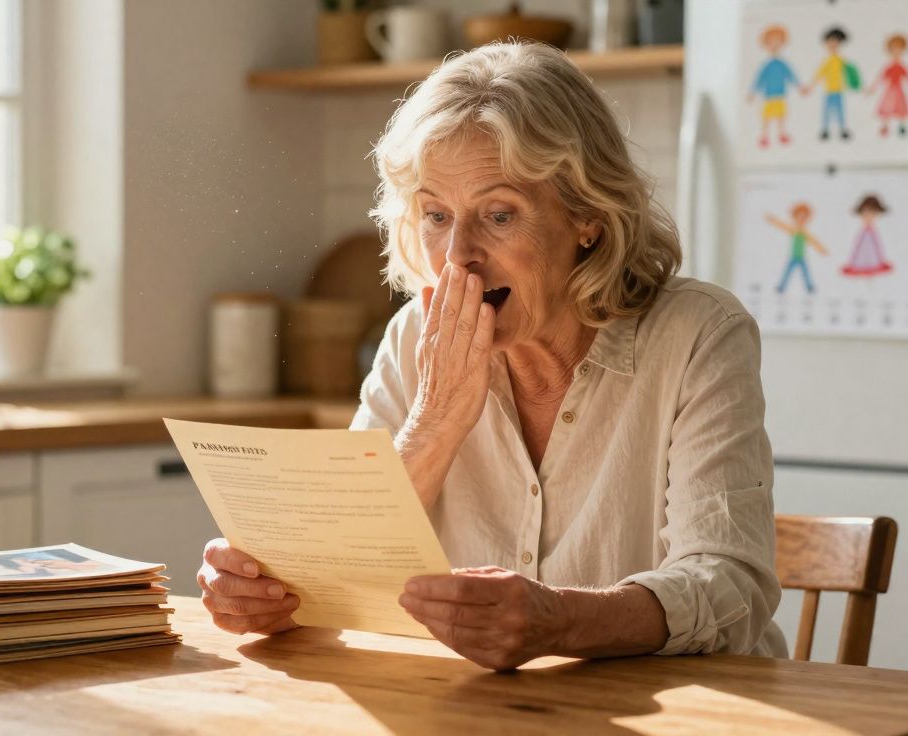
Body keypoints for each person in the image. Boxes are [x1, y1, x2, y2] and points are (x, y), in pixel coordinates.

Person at [198, 42, 787, 671]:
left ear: (587, 215)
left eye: (499, 214)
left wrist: (559, 621)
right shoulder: (411, 337)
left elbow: (729, 585)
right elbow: (334, 576)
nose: (458, 255)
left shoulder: (699, 333)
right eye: (436, 215)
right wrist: (273, 591)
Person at [748, 24, 800, 148]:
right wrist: (752, 92)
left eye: (778, 41)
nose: (774, 45)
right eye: (771, 42)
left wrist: (799, 86)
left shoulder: (782, 64)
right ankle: (764, 135)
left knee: (781, 116)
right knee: (767, 116)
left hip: (780, 95)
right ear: (766, 45)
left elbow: (791, 75)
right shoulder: (767, 65)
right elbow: (759, 79)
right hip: (769, 95)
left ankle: (781, 134)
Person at [803, 27, 855, 141]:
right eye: (830, 41)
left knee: (840, 111)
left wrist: (854, 84)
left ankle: (842, 129)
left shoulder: (842, 60)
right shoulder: (827, 61)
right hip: (829, 91)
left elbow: (850, 73)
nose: (833, 44)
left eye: (835, 41)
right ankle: (825, 130)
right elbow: (819, 74)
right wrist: (810, 87)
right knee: (827, 111)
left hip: (839, 90)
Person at [866, 34, 908, 138]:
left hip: (898, 89)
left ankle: (901, 126)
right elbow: (881, 78)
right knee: (887, 107)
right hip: (890, 89)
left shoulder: (902, 66)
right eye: (894, 49)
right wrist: (872, 88)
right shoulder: (889, 66)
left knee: (900, 107)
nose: (897, 51)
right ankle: (885, 126)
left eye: (899, 49)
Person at [768, 203, 828, 294]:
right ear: (794, 217)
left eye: (804, 218)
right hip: (793, 256)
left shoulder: (805, 233)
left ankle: (809, 287)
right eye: (799, 217)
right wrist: (773, 220)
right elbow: (782, 226)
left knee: (806, 273)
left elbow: (814, 241)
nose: (801, 220)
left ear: (807, 219)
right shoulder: (793, 230)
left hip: (801, 257)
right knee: (787, 272)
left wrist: (822, 250)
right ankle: (781, 287)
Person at [842, 195, 893, 276]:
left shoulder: (873, 232)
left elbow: (877, 246)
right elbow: (857, 246)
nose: (868, 217)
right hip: (861, 260)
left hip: (873, 260)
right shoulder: (863, 232)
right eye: (865, 213)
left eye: (872, 214)